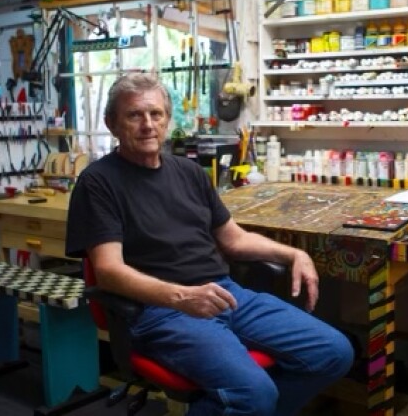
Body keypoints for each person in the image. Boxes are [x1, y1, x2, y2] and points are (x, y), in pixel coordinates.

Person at [66, 73, 354, 416]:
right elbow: (109, 272)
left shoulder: (188, 172)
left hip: (226, 294)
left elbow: (234, 240)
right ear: (111, 124)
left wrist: (294, 253)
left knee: (335, 352)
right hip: (162, 310)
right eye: (134, 115)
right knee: (254, 393)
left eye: (156, 114)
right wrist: (183, 296)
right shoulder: (98, 182)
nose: (147, 125)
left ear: (167, 120)